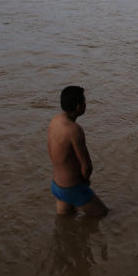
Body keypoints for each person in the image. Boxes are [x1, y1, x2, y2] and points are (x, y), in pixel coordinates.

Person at [47, 85, 108, 217]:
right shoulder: (74, 130)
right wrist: (85, 182)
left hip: (56, 185)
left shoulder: (54, 121)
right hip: (72, 187)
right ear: (79, 107)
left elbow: (51, 151)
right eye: (84, 102)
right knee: (103, 214)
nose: (86, 104)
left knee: (65, 222)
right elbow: (86, 166)